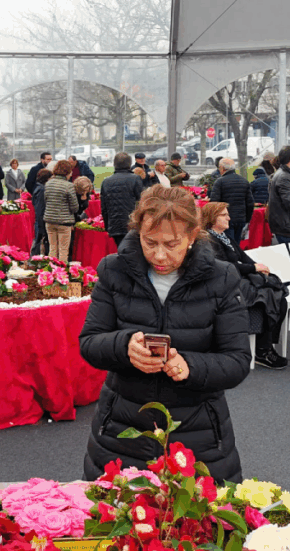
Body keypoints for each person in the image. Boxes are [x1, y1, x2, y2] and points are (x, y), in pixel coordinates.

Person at [80, 185, 250, 484]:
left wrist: (191, 366)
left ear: (193, 235)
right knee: (117, 518)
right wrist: (124, 346)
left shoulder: (222, 277)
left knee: (197, 524)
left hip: (199, 434)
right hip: (122, 427)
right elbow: (90, 341)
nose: (159, 255)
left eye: (172, 244)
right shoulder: (113, 270)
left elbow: (237, 360)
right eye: (150, 242)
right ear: (138, 232)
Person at [203, 201, 289, 369]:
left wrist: (259, 267)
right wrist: (253, 268)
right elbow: (224, 266)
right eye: (224, 214)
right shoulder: (208, 240)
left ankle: (264, 346)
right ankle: (263, 351)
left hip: (237, 278)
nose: (228, 217)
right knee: (268, 297)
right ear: (212, 218)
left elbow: (242, 255)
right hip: (225, 284)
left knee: (277, 296)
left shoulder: (224, 237)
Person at [101, 152, 144, 247]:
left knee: (121, 250)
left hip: (114, 224)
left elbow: (104, 208)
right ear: (129, 164)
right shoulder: (135, 179)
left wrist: (108, 226)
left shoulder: (106, 182)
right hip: (131, 223)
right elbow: (142, 202)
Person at [209, 157, 254, 245]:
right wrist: (246, 219)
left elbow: (214, 203)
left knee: (227, 245)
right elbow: (250, 203)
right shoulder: (244, 181)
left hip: (225, 219)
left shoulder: (220, 182)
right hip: (240, 219)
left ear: (222, 168)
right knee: (236, 244)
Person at [43, 160, 79, 263]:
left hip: (49, 220)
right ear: (67, 171)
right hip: (64, 221)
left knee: (52, 248)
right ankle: (61, 273)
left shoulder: (48, 184)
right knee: (63, 250)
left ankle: (51, 271)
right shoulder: (69, 186)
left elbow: (45, 200)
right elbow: (74, 207)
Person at [30, 169, 53, 256]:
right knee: (39, 243)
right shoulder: (42, 190)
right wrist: (42, 225)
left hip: (39, 220)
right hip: (41, 221)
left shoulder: (38, 188)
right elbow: (40, 208)